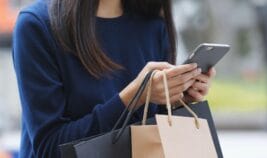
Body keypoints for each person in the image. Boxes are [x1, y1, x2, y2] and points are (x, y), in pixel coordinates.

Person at [12, 0, 216, 157]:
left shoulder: (153, 24)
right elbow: (49, 148)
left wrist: (179, 96)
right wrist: (134, 97)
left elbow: (151, 130)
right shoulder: (37, 25)